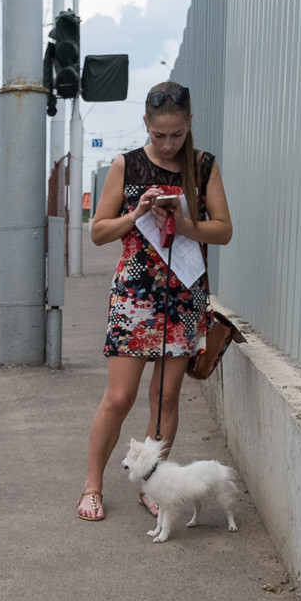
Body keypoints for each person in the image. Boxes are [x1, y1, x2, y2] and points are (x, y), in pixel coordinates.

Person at [77, 82, 233, 521]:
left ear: (189, 125)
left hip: (184, 296)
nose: (167, 144)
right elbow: (99, 231)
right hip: (135, 296)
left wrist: (186, 225)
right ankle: (92, 486)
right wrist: (138, 213)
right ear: (146, 123)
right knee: (119, 397)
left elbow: (223, 229)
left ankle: (153, 487)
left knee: (165, 399)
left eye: (177, 134)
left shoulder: (203, 167)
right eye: (159, 134)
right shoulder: (126, 165)